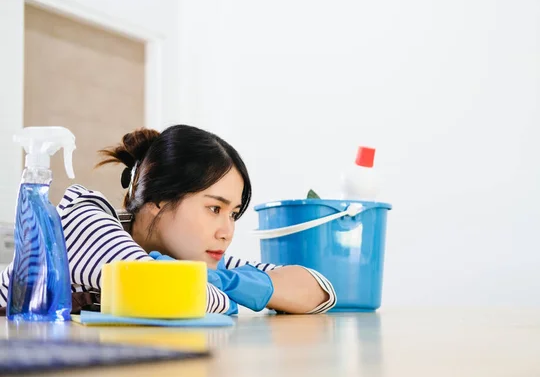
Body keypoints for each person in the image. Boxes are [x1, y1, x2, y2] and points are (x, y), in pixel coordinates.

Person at [0, 125, 336, 315]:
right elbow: (166, 294)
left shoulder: (187, 257)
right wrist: (237, 290)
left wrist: (233, 282)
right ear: (159, 200)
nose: (227, 232)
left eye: (233, 213)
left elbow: (318, 290)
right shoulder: (85, 218)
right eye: (214, 209)